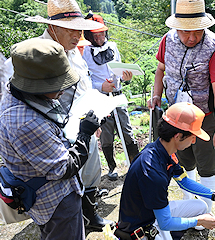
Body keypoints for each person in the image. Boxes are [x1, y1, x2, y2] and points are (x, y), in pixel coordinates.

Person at [24, 0, 114, 230]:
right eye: (71, 29)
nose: (78, 35)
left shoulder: (74, 51)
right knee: (66, 178)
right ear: (53, 28)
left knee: (91, 170)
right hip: (57, 130)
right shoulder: (38, 53)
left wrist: (94, 119)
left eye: (80, 28)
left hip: (85, 123)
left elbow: (84, 85)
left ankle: (89, 214)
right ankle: (70, 220)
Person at [0, 38, 100, 239]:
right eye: (56, 84)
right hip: (55, 201)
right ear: (34, 85)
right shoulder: (26, 123)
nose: (62, 90)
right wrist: (85, 134)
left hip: (47, 197)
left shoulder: (18, 93)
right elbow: (64, 168)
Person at [147, 0, 215, 212]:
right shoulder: (167, 41)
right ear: (176, 27)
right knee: (183, 160)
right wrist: (156, 94)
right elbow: (160, 70)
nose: (192, 37)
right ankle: (190, 206)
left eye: (198, 31)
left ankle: (206, 213)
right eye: (186, 32)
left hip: (205, 116)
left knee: (207, 163)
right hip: (176, 114)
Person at [114, 102, 215, 240]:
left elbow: (184, 182)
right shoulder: (152, 172)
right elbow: (165, 223)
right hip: (138, 230)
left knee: (200, 206)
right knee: (177, 222)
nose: (193, 142)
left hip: (152, 214)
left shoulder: (163, 151)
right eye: (193, 137)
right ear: (178, 136)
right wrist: (199, 221)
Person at [83, 13, 139, 180]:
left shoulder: (113, 46)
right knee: (106, 135)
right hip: (100, 98)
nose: (100, 37)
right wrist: (101, 86)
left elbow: (120, 70)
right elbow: (84, 79)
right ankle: (112, 168)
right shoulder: (84, 51)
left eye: (102, 33)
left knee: (127, 131)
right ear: (89, 35)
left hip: (117, 95)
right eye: (96, 34)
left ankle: (135, 165)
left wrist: (125, 78)